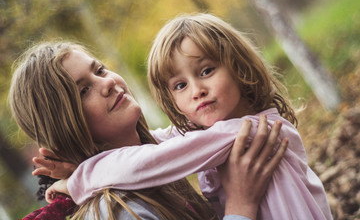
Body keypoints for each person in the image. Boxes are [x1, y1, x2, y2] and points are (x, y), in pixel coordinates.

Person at [37, 13, 332, 219]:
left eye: (206, 71)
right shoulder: (216, 132)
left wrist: (79, 179)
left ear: (240, 68)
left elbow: (151, 158)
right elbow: (160, 144)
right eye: (180, 85)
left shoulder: (244, 132)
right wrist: (80, 165)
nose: (197, 90)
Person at [10, 41, 287, 220]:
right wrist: (240, 205)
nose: (106, 83)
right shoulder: (117, 212)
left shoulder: (155, 161)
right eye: (83, 91)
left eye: (101, 70)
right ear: (64, 128)